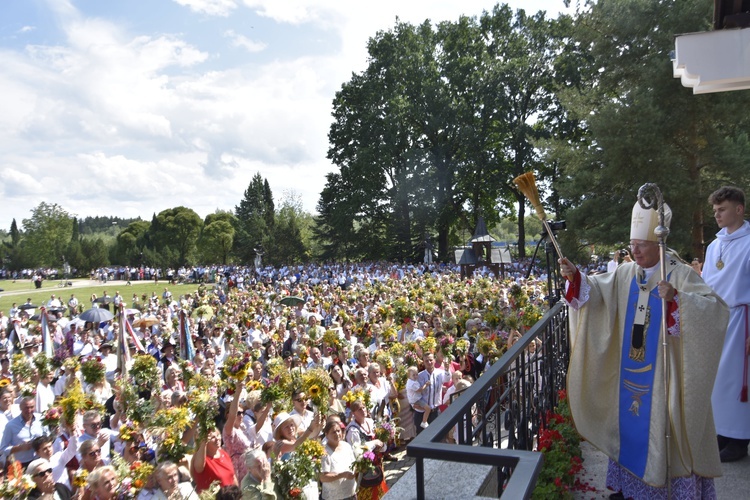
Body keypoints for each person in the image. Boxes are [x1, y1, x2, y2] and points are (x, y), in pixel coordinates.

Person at [559, 199, 729, 499]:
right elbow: (597, 292)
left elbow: (714, 311)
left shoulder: (678, 273)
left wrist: (677, 299)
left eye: (641, 245)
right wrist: (576, 277)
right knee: (629, 426)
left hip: (666, 380)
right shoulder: (627, 273)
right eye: (632, 244)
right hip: (630, 374)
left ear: (658, 245)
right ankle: (631, 488)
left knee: (664, 431)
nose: (634, 251)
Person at [702, 185, 750, 462]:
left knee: (737, 382)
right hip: (716, 318)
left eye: (722, 210)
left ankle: (739, 440)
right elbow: (706, 284)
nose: (717, 215)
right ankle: (722, 433)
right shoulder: (714, 245)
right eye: (715, 211)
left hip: (743, 319)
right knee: (718, 381)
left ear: (739, 209)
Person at [320, 419, 357, 500]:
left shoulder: (346, 446)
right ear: (326, 434)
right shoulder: (324, 452)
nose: (337, 434)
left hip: (350, 493)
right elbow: (323, 477)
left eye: (338, 431)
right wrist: (342, 475)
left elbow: (354, 464)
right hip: (333, 497)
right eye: (333, 432)